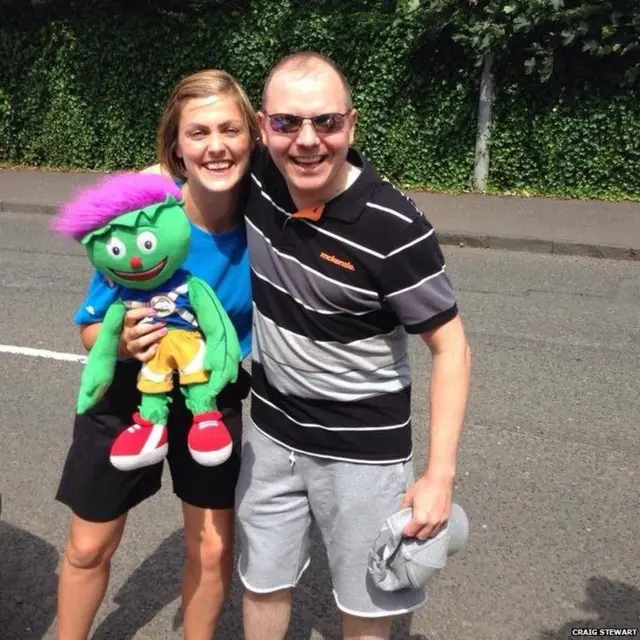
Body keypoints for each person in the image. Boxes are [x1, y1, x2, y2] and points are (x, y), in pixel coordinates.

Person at [235, 51, 472, 640]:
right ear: (264, 128)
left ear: (351, 124)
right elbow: (186, 159)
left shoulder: (394, 227)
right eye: (288, 123)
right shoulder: (259, 177)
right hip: (270, 434)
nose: (308, 140)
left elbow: (451, 349)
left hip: (362, 452)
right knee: (262, 582)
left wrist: (438, 476)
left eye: (327, 122)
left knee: (367, 606)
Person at [55, 69, 258, 640]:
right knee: (89, 546)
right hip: (127, 390)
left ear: (253, 137)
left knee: (213, 550)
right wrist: (119, 343)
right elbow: (90, 332)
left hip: (206, 393)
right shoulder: (144, 224)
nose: (216, 146)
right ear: (176, 145)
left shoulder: (265, 223)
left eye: (230, 129)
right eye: (198, 133)